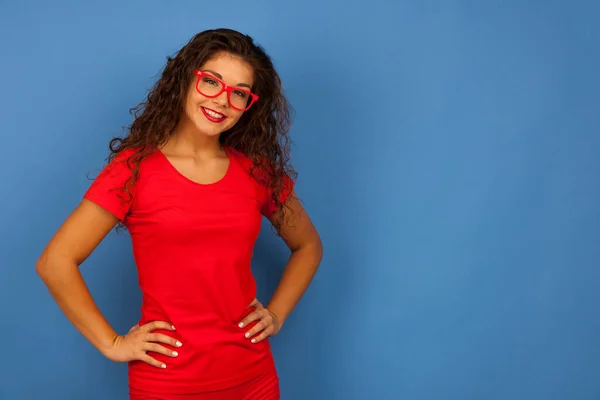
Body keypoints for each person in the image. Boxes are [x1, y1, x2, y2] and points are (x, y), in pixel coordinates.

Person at [36, 28, 323, 399]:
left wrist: (276, 314)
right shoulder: (133, 170)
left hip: (253, 377)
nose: (222, 101)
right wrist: (112, 343)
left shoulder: (257, 172)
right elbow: (55, 261)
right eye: (211, 82)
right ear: (185, 80)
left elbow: (308, 246)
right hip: (168, 383)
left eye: (239, 93)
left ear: (248, 104)